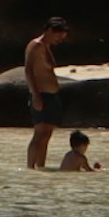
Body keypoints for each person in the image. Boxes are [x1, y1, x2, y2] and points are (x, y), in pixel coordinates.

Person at [24, 18, 69, 170]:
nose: (59, 40)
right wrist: (36, 95)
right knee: (39, 134)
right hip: (41, 94)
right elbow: (28, 70)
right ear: (49, 31)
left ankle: (41, 167)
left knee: (47, 134)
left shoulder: (47, 47)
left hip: (52, 95)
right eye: (58, 36)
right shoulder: (35, 45)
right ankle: (30, 167)